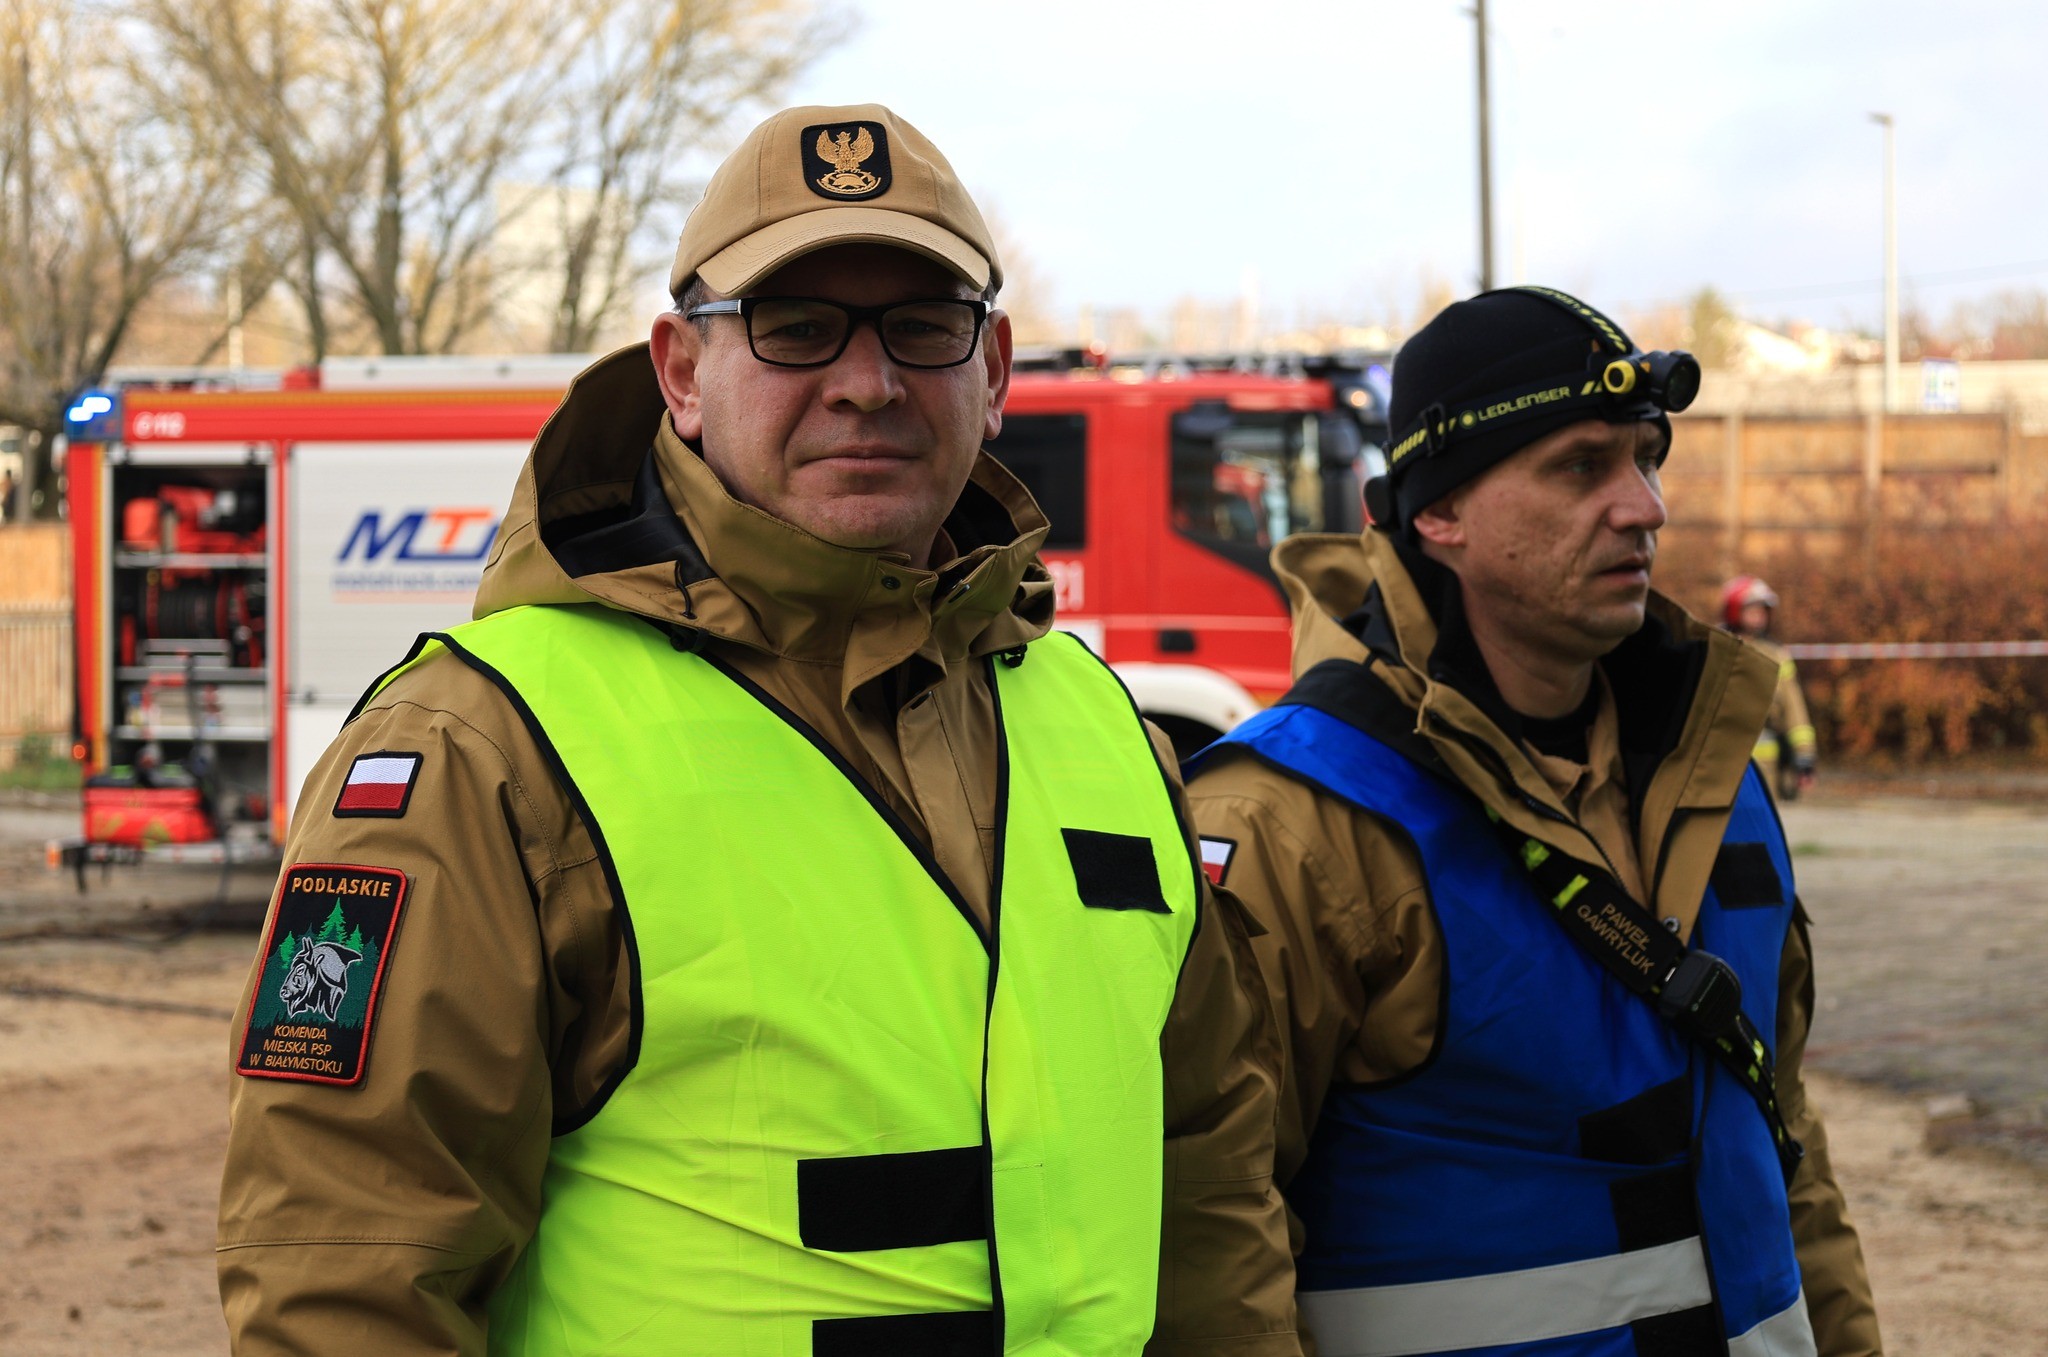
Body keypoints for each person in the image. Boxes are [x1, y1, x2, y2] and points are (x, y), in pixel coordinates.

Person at [218, 103, 1297, 1356]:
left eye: (921, 326)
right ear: (681, 372)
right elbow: (342, 1275)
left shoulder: (1102, 729)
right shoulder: (482, 750)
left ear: (994, 369)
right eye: (794, 327)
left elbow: (1210, 1190)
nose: (867, 383)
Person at [1187, 287, 1881, 1357]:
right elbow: (1209, 1239)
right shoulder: (1291, 824)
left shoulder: (1718, 779)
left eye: (1646, 459)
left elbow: (1788, 1155)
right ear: (1438, 514)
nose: (1643, 506)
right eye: (1580, 467)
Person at [1722, 575, 1819, 800]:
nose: (1759, 616)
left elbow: (1794, 707)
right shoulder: (1716, 646)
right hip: (1719, 761)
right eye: (1752, 610)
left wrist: (1804, 754)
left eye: (1762, 611)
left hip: (1764, 766)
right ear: (1734, 610)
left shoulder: (1776, 654)